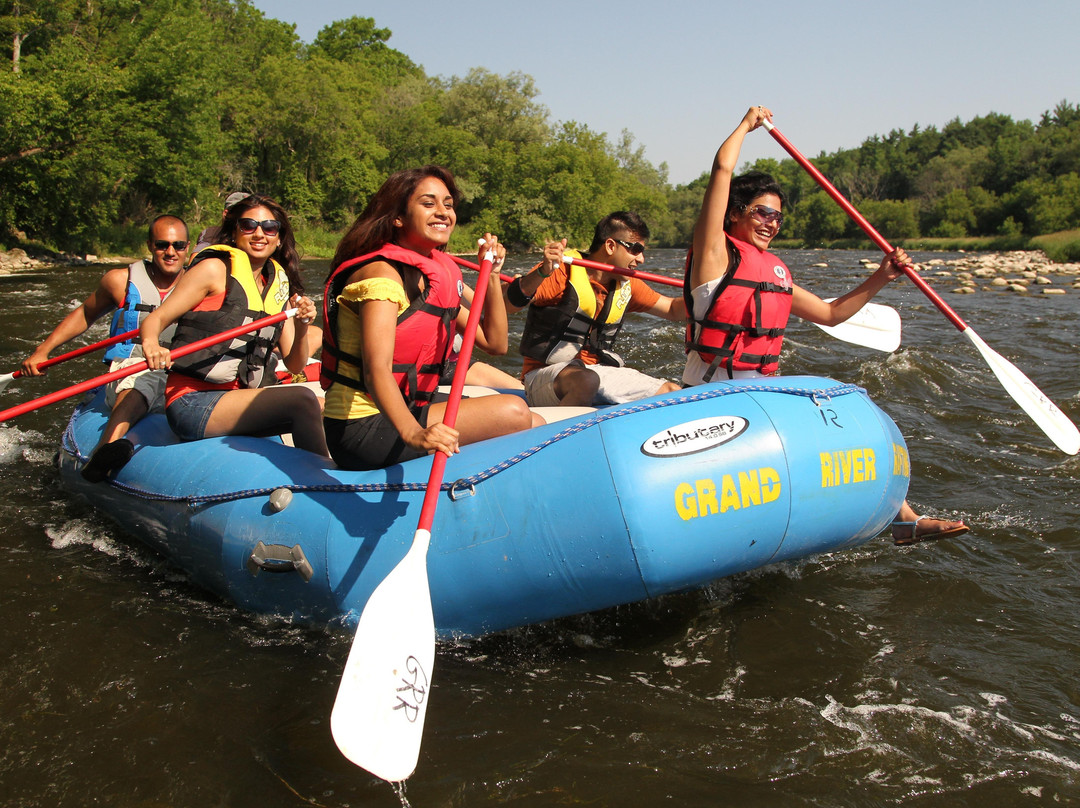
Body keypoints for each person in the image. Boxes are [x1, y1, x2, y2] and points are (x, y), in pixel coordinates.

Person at [684, 105, 968, 546]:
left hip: (762, 392)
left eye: (777, 217)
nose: (771, 224)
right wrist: (745, 126)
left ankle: (903, 520)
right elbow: (722, 169)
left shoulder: (775, 273)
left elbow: (832, 314)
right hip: (714, 394)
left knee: (849, 415)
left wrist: (882, 277)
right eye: (762, 213)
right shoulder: (715, 254)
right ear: (735, 214)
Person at [321, 165, 538, 471]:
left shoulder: (433, 275)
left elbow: (495, 342)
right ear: (398, 217)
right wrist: (415, 434)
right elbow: (376, 370)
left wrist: (493, 275)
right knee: (514, 412)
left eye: (448, 205)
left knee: (534, 419)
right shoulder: (382, 277)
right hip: (361, 426)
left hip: (412, 407)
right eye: (428, 203)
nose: (442, 212)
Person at [139, 195, 329, 458]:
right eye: (249, 225)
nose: (259, 233)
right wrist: (151, 344)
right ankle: (323, 478)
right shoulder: (214, 270)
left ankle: (331, 472)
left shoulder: (278, 286)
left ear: (279, 237)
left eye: (269, 227)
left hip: (239, 397)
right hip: (192, 400)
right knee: (303, 401)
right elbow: (156, 319)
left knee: (322, 406)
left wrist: (302, 325)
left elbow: (295, 365)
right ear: (235, 232)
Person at [21, 215, 190, 482]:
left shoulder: (199, 284)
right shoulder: (120, 280)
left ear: (188, 247)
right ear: (150, 245)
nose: (171, 252)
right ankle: (104, 452)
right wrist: (44, 350)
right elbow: (85, 314)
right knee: (141, 382)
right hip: (130, 366)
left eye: (178, 245)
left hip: (177, 367)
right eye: (162, 245)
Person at [505, 211, 685, 407]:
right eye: (635, 249)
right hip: (543, 376)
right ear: (610, 246)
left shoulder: (627, 283)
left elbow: (673, 309)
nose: (641, 258)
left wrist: (710, 295)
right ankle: (559, 435)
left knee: (671, 392)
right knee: (586, 381)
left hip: (595, 372)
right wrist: (541, 273)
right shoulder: (560, 272)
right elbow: (507, 305)